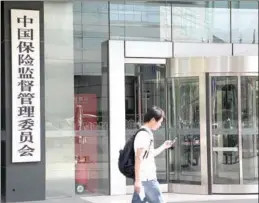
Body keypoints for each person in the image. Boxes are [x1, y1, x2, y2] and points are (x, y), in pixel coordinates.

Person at [132, 106, 175, 203]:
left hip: (146, 179)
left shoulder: (147, 134)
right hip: (148, 180)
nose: (160, 125)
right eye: (159, 122)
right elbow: (138, 158)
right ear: (152, 120)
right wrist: (138, 181)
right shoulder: (143, 135)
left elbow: (149, 155)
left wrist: (164, 146)